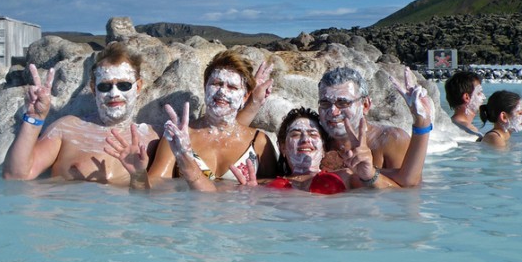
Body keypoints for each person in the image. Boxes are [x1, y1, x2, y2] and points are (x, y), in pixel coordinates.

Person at [157, 67, 433, 194]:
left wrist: (422, 124)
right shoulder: (321, 144)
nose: (333, 111)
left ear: (367, 104)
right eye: (325, 103)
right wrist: (250, 103)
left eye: (343, 103)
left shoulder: (385, 141)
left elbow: (408, 187)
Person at [106, 50, 278, 190]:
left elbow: (275, 193)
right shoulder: (178, 137)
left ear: (245, 96)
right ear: (205, 88)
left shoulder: (258, 142)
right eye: (216, 84)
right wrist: (138, 175)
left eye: (232, 87)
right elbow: (151, 193)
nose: (222, 92)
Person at [2, 42, 159, 185]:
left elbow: (150, 202)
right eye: (105, 86)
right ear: (93, 89)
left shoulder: (152, 139)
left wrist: (138, 175)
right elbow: (15, 176)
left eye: (124, 85)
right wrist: (34, 118)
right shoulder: (67, 128)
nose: (114, 94)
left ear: (138, 87)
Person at [444, 71, 485, 141]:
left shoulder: (447, 125)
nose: (484, 97)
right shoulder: (472, 134)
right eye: (479, 93)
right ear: (466, 97)